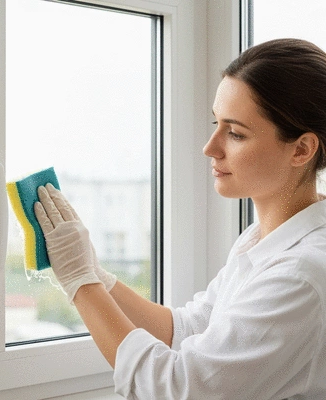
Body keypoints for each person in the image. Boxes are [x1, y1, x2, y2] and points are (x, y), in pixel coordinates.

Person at [34, 38, 326, 399]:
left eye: (235, 133)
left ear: (301, 149)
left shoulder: (302, 275)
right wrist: (97, 275)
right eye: (216, 123)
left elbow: (179, 389)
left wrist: (80, 282)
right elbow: (188, 329)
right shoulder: (260, 239)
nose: (210, 147)